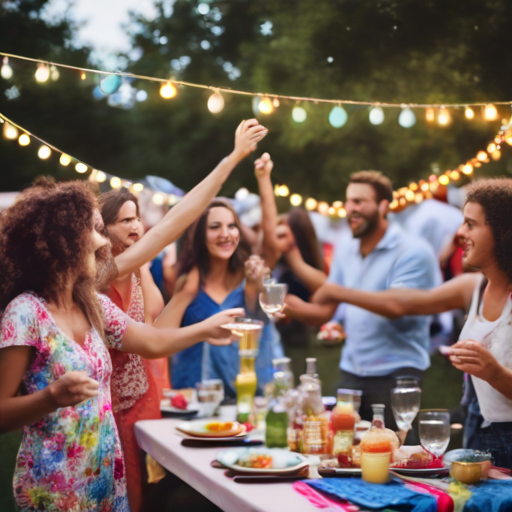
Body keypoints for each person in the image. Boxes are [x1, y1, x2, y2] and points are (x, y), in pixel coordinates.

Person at [0, 181, 243, 511]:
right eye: (94, 232)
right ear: (64, 242)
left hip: (106, 481)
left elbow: (151, 341)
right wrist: (50, 398)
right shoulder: (26, 312)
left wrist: (205, 330)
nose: (103, 242)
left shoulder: (92, 304)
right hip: (54, 488)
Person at [98, 119, 268, 512]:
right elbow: (178, 219)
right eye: (125, 220)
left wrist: (184, 299)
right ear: (102, 230)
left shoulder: (141, 269)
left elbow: (156, 332)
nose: (138, 226)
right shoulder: (104, 274)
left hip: (150, 398)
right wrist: (233, 158)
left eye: (137, 217)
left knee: (156, 496)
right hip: (113, 407)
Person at [311, 178, 512, 468]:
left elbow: (394, 305)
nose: (459, 233)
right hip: (476, 428)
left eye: (471, 224)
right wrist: (333, 285)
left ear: (503, 232)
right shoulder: (473, 287)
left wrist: (492, 371)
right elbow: (403, 302)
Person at [283, 170, 439, 429]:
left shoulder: (412, 250)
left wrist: (337, 291)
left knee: (391, 454)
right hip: (351, 371)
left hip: (397, 374)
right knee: (343, 449)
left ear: (383, 206)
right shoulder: (346, 246)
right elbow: (325, 311)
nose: (350, 209)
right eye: (348, 201)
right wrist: (292, 307)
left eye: (359, 202)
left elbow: (397, 305)